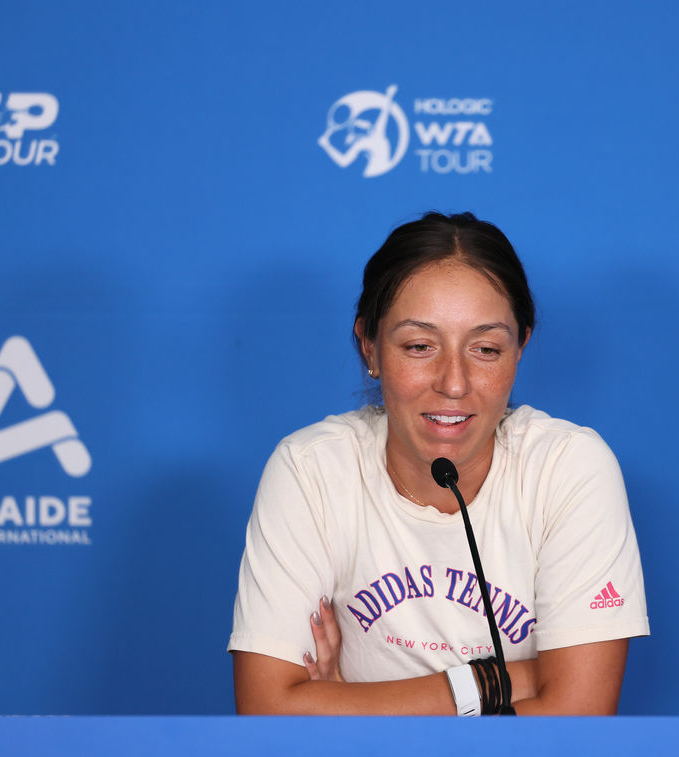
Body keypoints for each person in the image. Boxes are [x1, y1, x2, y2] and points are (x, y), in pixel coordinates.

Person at [229, 212, 648, 715]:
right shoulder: (311, 469)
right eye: (419, 346)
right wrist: (504, 682)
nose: (453, 382)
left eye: (486, 348)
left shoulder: (569, 468)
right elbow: (267, 710)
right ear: (370, 345)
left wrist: (344, 706)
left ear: (521, 349)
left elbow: (578, 715)